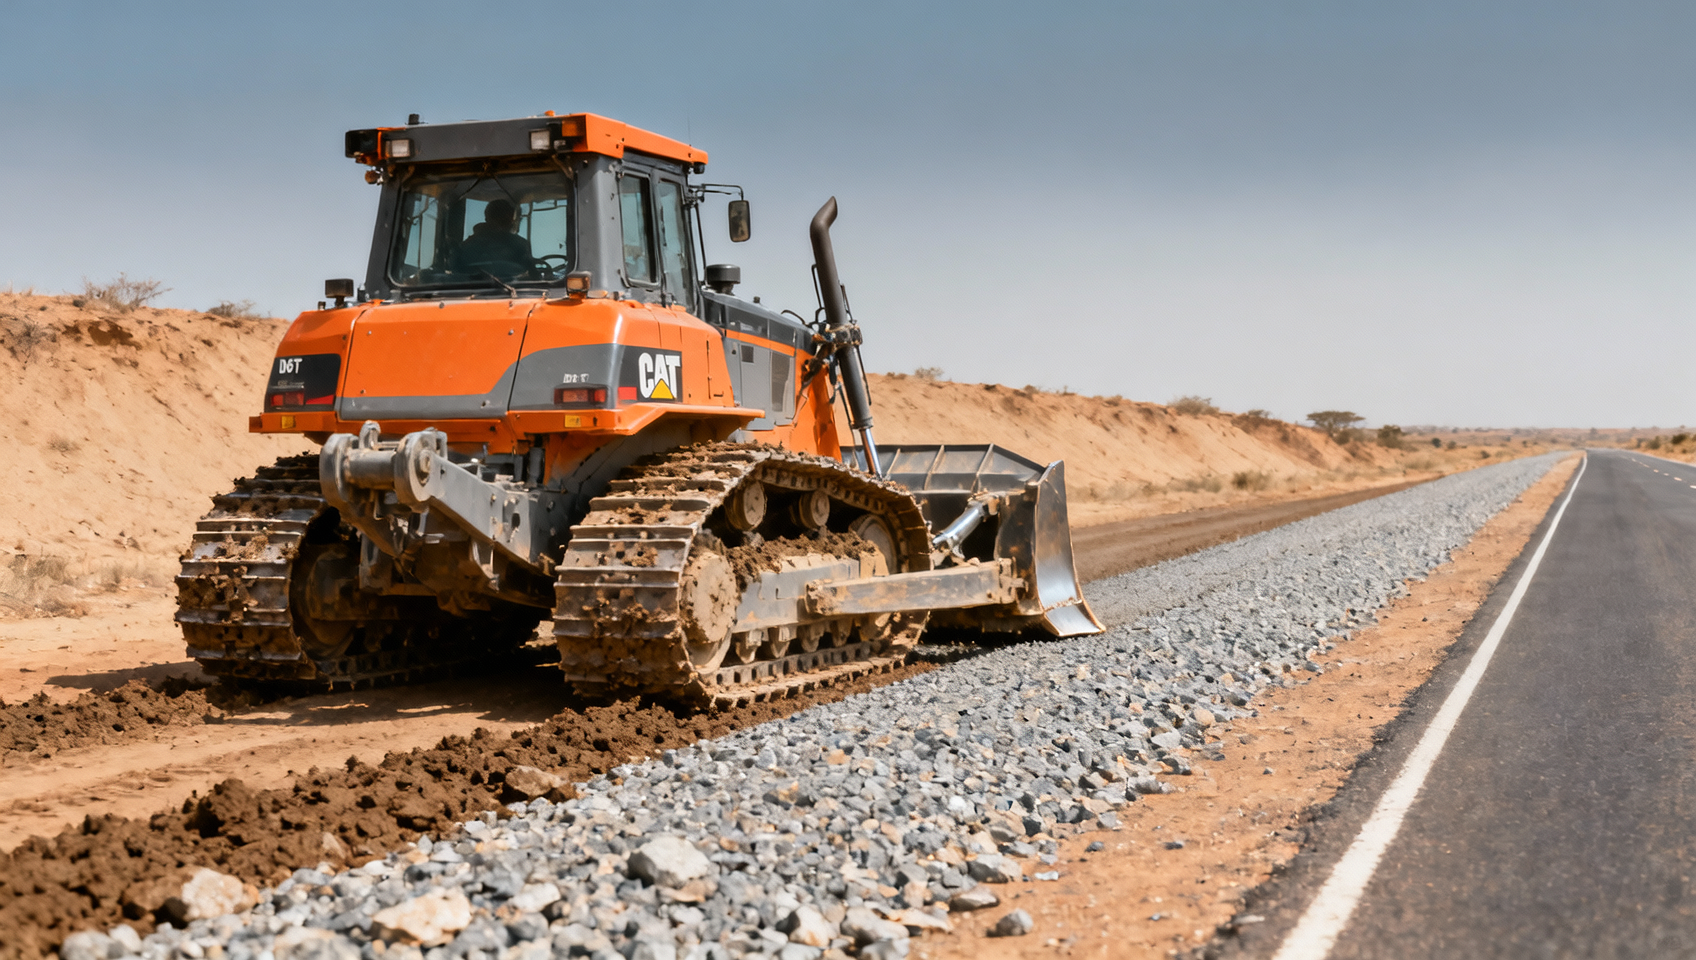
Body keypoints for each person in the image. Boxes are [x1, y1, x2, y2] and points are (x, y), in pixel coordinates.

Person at [453, 199, 532, 275]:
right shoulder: (470, 245)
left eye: (507, 221)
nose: (502, 227)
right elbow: (457, 272)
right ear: (487, 219)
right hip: (472, 287)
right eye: (501, 220)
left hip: (515, 287)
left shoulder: (520, 245)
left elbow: (531, 275)